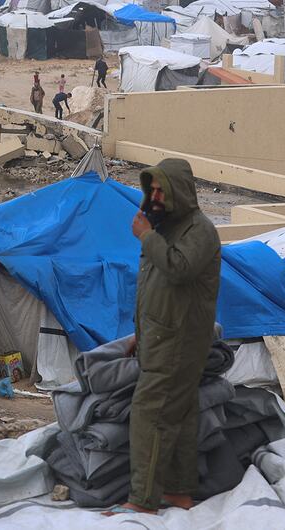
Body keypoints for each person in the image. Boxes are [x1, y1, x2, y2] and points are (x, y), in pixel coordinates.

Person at [104, 158, 221, 516]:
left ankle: (142, 500)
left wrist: (145, 235)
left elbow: (178, 269)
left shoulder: (198, 231)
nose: (154, 196)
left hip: (179, 343)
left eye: (160, 190)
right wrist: (142, 332)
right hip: (161, 337)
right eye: (150, 189)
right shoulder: (167, 227)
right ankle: (180, 492)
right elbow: (156, 289)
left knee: (149, 415)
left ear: (178, 192)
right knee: (180, 417)